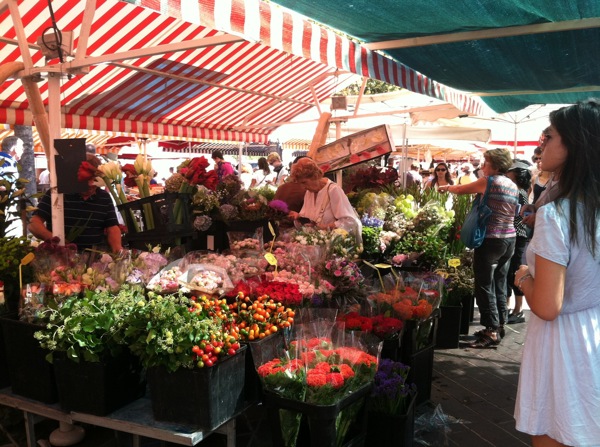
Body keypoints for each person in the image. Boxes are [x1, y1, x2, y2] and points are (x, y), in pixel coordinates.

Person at [513, 99, 600, 447]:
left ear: (574, 145)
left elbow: (548, 307)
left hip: (563, 342)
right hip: (592, 329)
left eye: (549, 136)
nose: (541, 144)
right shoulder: (588, 208)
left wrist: (522, 276)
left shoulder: (556, 215)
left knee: (556, 433)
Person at [439, 148, 518, 348]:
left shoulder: (489, 182)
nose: (482, 167)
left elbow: (460, 189)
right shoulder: (512, 184)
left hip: (491, 240)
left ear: (496, 165)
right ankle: (500, 324)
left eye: (486, 163)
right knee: (499, 282)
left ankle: (491, 330)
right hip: (509, 239)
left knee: (483, 284)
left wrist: (446, 188)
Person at [28, 155, 123, 253]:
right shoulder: (57, 194)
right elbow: (34, 224)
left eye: (95, 179)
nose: (90, 184)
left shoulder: (104, 197)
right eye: (86, 179)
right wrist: (55, 240)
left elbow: (112, 227)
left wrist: (118, 251)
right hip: (60, 257)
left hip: (95, 260)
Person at [288, 158, 361, 238]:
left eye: (304, 182)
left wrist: (324, 227)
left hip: (333, 245)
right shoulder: (309, 193)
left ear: (315, 176)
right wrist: (298, 217)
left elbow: (350, 222)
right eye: (300, 183)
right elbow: (308, 220)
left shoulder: (333, 190)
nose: (303, 187)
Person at [505, 160, 532, 324]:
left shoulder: (519, 192)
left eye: (510, 171)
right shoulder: (518, 190)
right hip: (513, 234)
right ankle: (509, 306)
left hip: (517, 235)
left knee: (515, 270)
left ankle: (519, 308)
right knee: (509, 271)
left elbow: (518, 214)